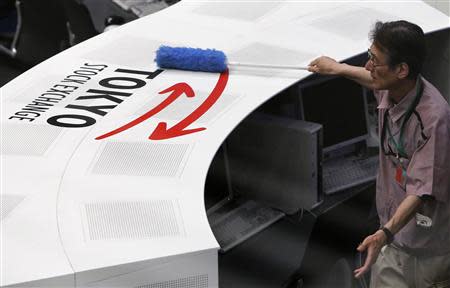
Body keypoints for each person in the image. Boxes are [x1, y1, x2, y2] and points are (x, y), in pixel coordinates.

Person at [308, 20, 450, 287]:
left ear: (401, 70)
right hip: (393, 240)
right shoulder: (392, 87)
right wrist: (337, 68)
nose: (368, 66)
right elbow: (369, 79)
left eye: (375, 60)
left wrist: (384, 233)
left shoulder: (434, 118)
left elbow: (421, 191)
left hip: (426, 252)